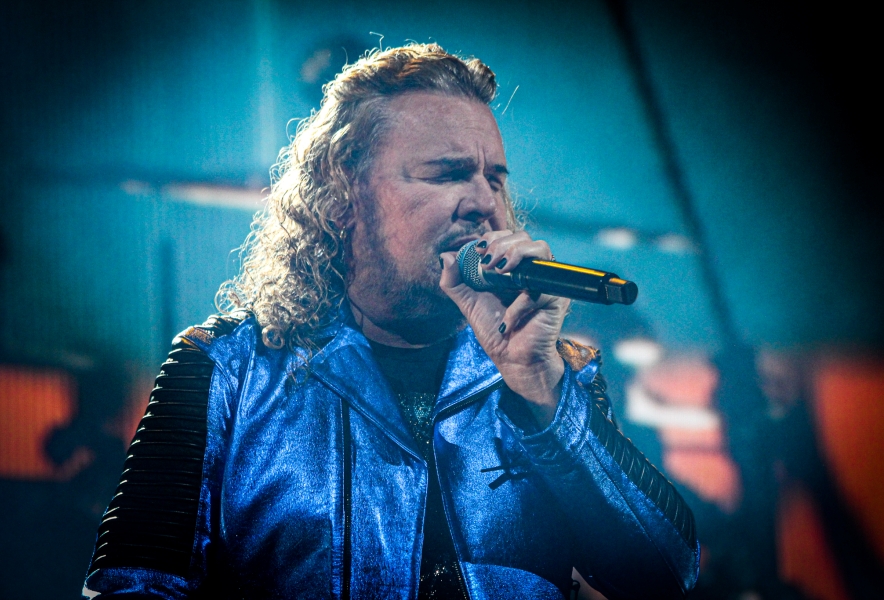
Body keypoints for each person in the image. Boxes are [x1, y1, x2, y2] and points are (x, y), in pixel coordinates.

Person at [82, 44, 699, 599]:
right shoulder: (224, 371)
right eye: (448, 173)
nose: (484, 203)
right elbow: (131, 588)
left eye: (495, 178)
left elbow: (667, 577)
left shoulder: (554, 378)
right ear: (341, 197)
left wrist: (541, 387)